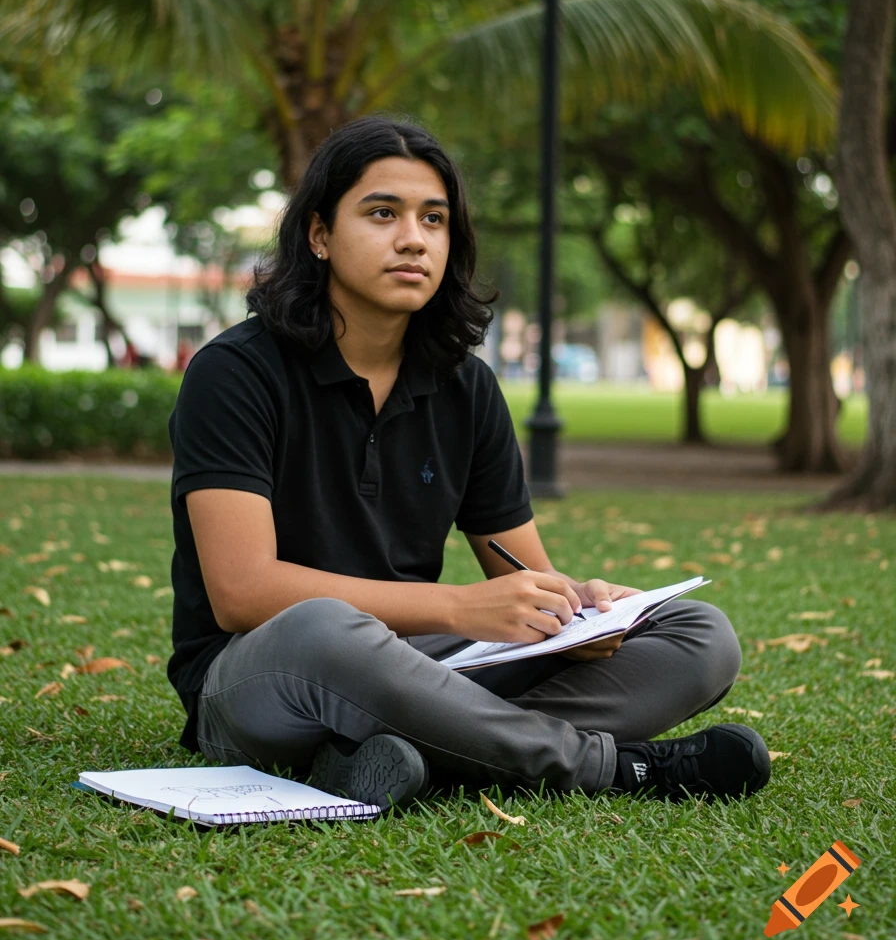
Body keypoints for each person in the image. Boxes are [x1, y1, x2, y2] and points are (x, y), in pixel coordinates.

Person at [166, 115, 771, 812]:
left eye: (434, 219)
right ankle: (607, 767)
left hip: (423, 667)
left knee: (700, 634)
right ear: (320, 234)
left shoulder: (465, 385)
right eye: (382, 213)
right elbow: (242, 592)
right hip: (266, 679)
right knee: (323, 625)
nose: (413, 238)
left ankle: (409, 754)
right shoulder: (235, 373)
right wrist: (459, 606)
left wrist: (581, 611)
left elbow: (522, 573)